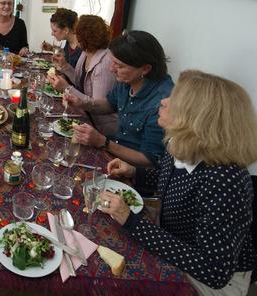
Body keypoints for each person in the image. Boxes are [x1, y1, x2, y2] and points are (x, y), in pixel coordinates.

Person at [101, 70, 257, 295]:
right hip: (174, 241)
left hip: (212, 280)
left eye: (176, 99)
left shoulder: (226, 180)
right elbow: (174, 182)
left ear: (197, 118)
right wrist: (135, 171)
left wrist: (132, 221)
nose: (164, 100)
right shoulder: (183, 145)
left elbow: (214, 271)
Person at [65, 30, 173, 167]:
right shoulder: (127, 79)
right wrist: (82, 103)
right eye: (113, 62)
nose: (111, 69)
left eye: (119, 66)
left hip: (131, 170)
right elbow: (110, 104)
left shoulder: (162, 102)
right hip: (114, 149)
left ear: (145, 69)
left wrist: (103, 142)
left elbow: (150, 160)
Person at [47, 15, 117, 135]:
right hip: (82, 112)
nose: (75, 37)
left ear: (86, 37)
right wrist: (64, 66)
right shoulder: (86, 53)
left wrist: (66, 88)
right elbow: (79, 82)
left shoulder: (105, 63)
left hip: (98, 126)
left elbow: (97, 106)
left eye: (77, 34)